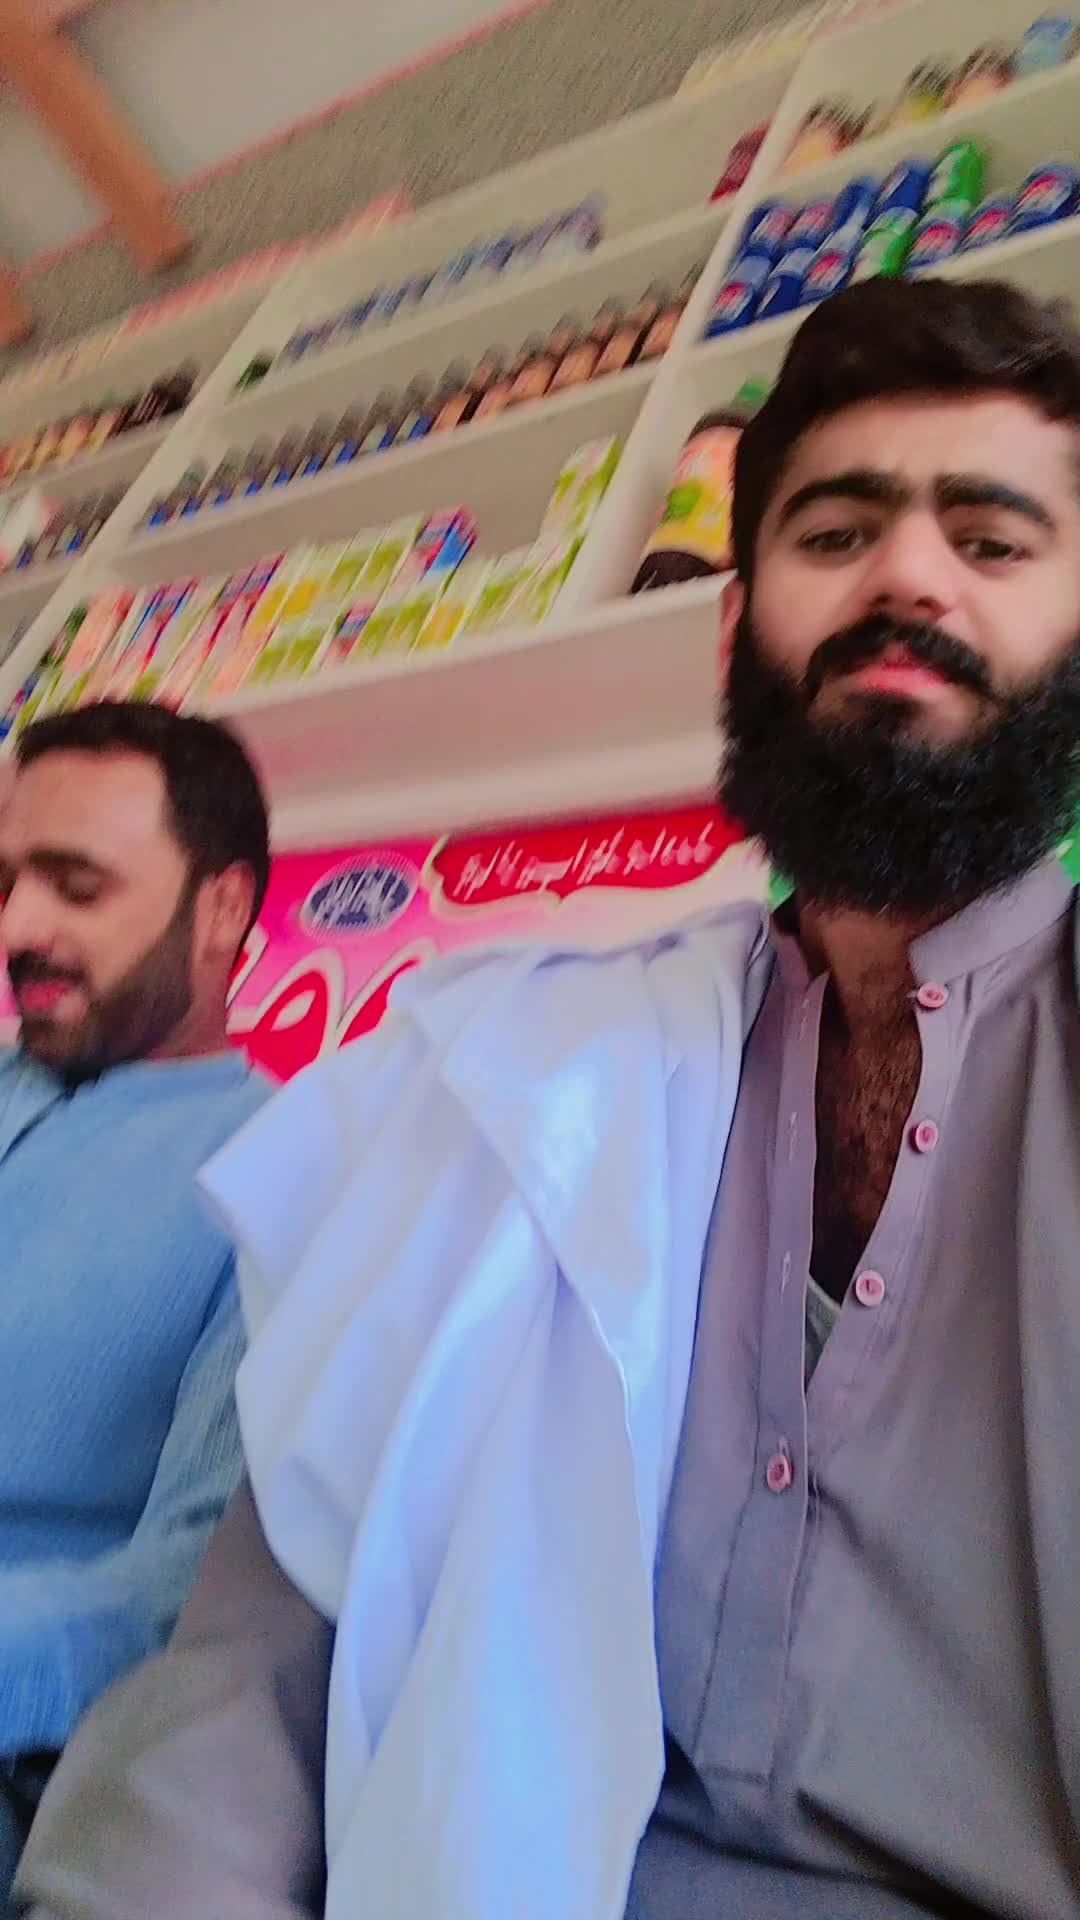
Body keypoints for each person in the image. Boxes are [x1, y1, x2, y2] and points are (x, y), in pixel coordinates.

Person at [12, 275, 1080, 1920]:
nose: (908, 577)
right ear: (733, 632)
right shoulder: (512, 1075)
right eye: (835, 532)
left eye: (992, 541)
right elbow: (265, 1655)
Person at [0, 700, 273, 1901]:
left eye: (76, 886)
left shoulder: (284, 1175)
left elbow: (191, 1581)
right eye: (7, 882)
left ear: (222, 908)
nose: (19, 927)